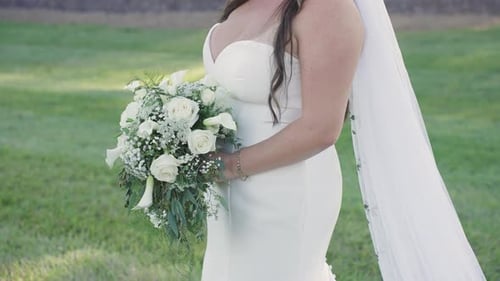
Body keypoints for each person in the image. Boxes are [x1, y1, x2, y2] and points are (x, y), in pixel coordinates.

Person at [201, 0, 486, 280]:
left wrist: (228, 166)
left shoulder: (329, 8)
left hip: (283, 187)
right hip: (225, 190)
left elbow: (321, 128)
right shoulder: (244, 3)